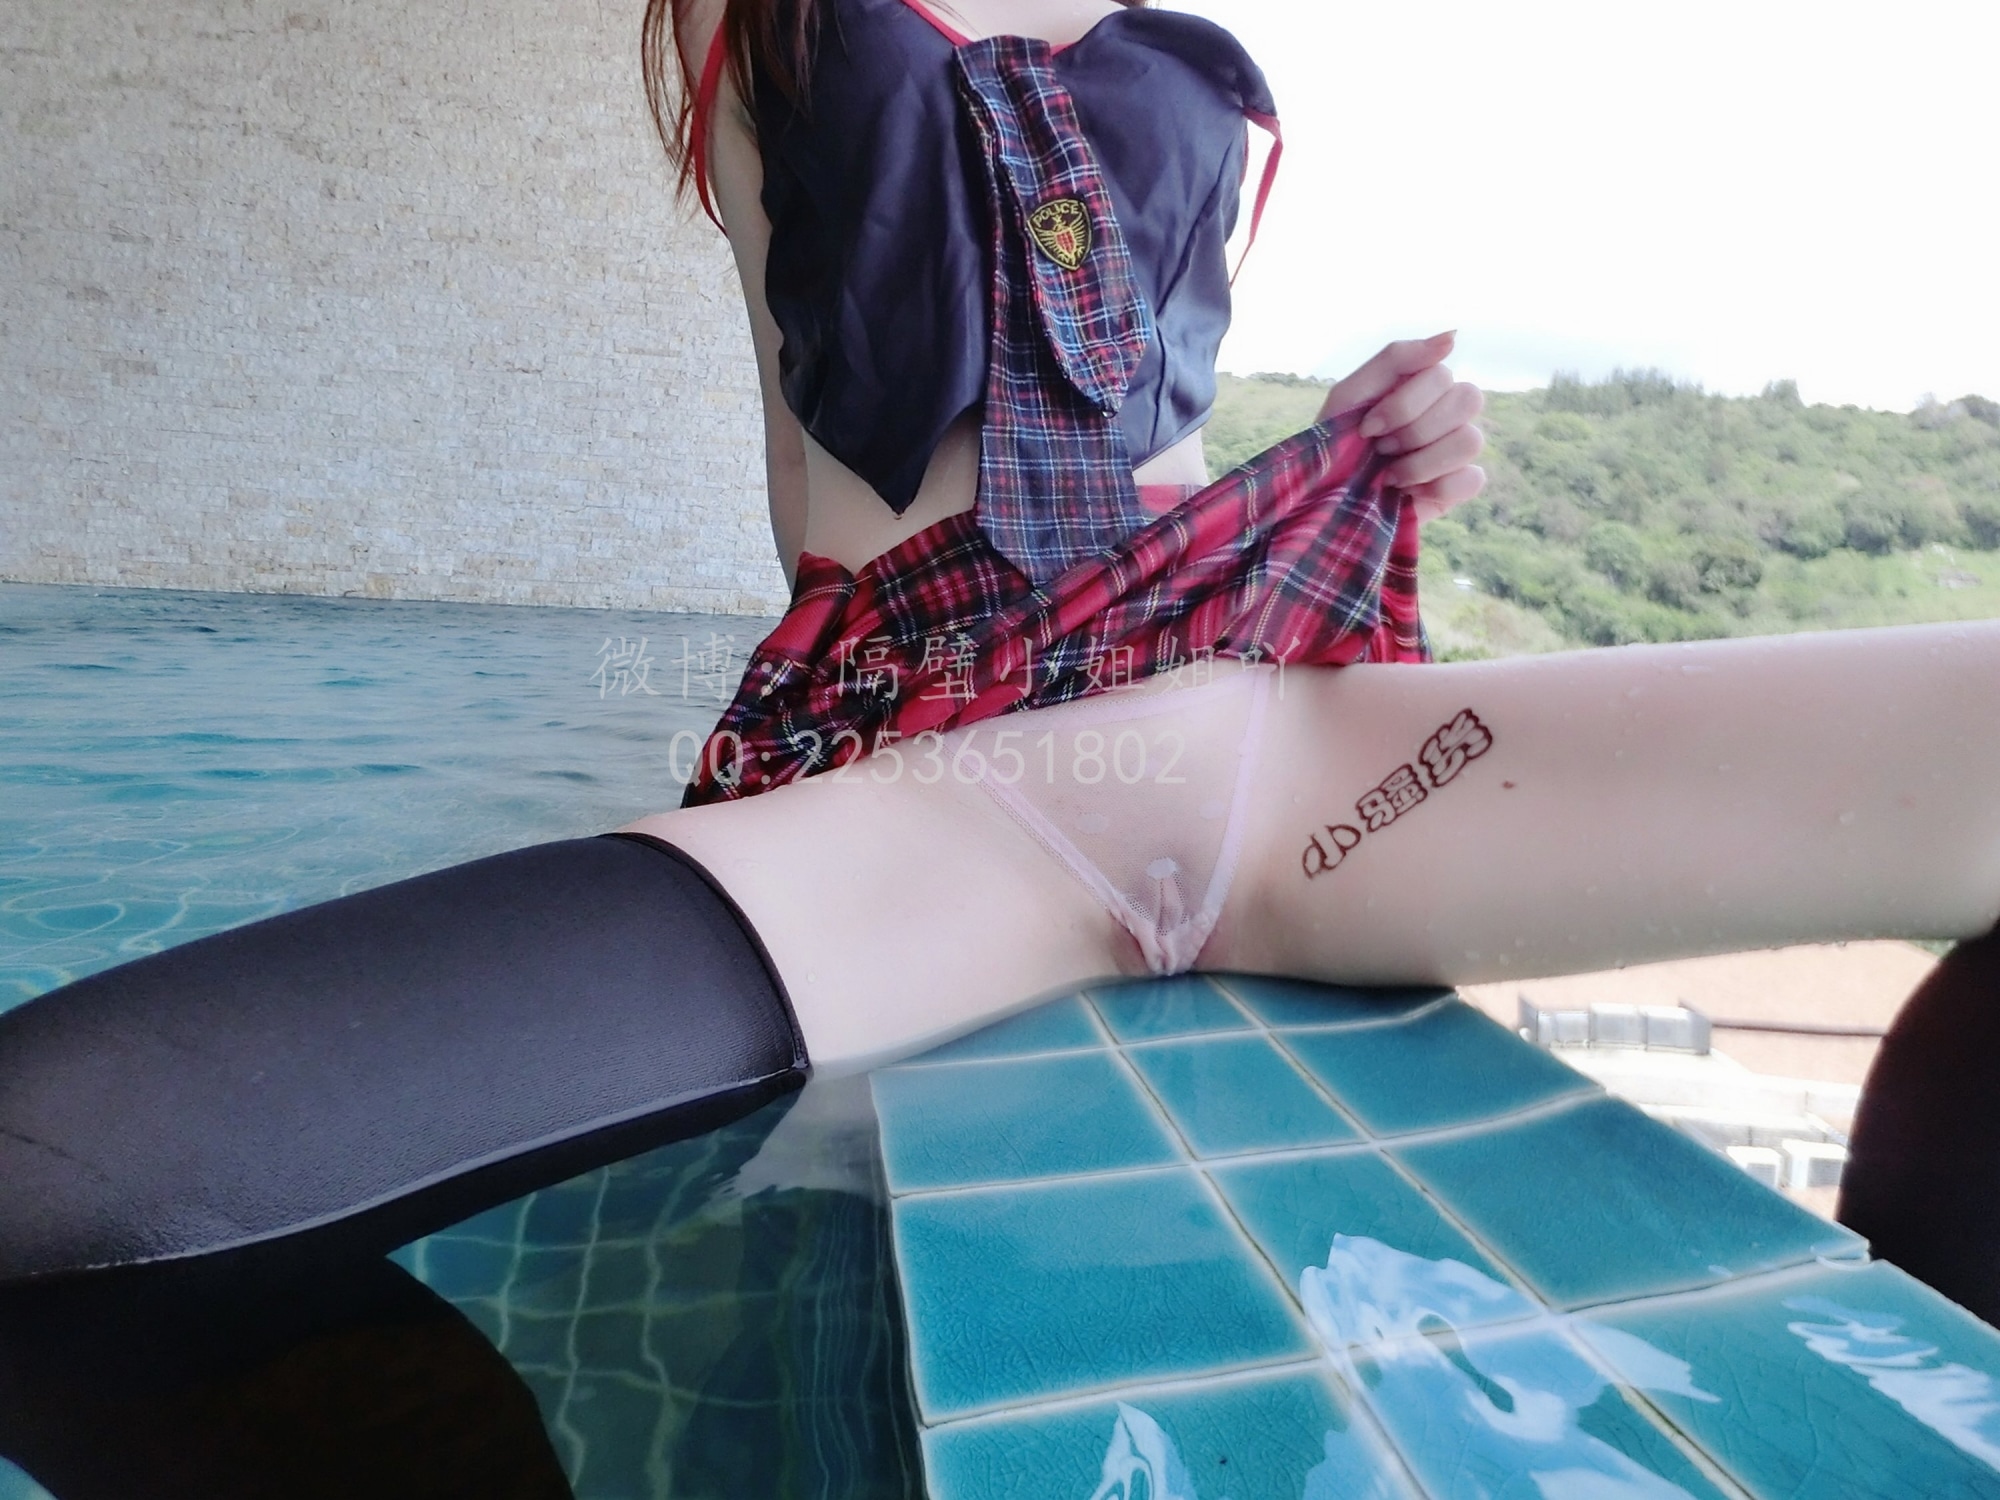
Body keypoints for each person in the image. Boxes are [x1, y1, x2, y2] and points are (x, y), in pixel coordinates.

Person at [0, 0, 1994, 1288]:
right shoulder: (759, 27)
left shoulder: (1179, 37)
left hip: (1256, 732)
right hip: (954, 757)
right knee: (56, 1163)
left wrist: (1384, 450)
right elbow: (815, 430)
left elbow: (1158, 405)